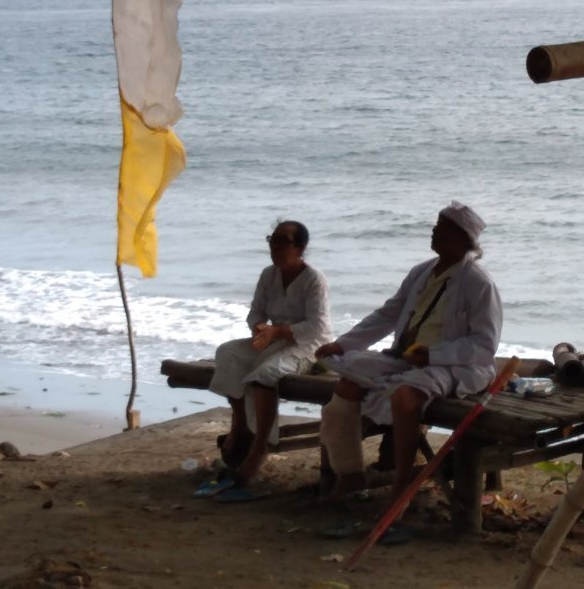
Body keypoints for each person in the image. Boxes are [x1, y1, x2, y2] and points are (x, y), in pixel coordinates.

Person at [314, 201, 502, 505]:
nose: (433, 231)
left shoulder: (479, 283)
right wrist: (344, 344)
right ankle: (349, 475)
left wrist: (433, 355)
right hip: (406, 358)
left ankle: (402, 483)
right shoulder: (421, 272)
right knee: (345, 387)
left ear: (460, 237)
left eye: (441, 228)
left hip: (456, 366)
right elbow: (389, 314)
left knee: (405, 397)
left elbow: (484, 345)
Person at [209, 220, 332, 483]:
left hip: (307, 346)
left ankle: (259, 448)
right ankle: (240, 425)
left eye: (282, 241)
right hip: (273, 339)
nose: (274, 246)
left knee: (266, 375)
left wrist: (278, 331)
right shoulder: (268, 274)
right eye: (272, 239)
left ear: (300, 248)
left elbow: (317, 326)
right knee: (228, 353)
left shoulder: (313, 279)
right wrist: (259, 326)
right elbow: (255, 311)